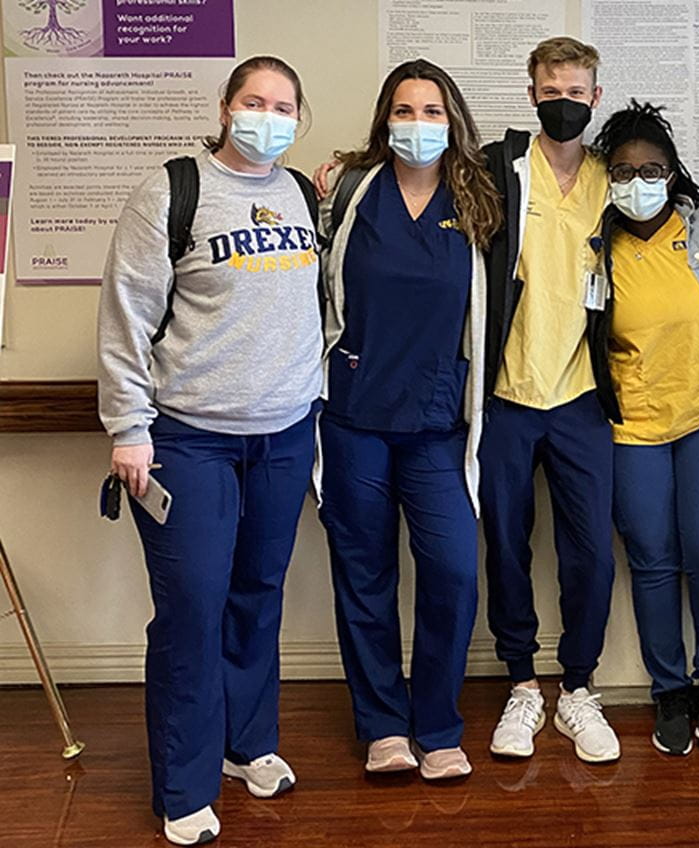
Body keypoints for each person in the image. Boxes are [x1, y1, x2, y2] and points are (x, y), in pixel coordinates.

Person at [97, 56, 322, 846]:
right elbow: (127, 316)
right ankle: (185, 788)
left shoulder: (301, 192)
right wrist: (129, 427)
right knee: (193, 608)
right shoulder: (172, 190)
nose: (268, 115)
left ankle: (246, 745)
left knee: (258, 595)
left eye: (283, 105)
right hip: (189, 439)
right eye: (254, 101)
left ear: (300, 117)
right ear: (225, 107)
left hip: (286, 433)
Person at [316, 59, 501, 782]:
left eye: (431, 112)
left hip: (438, 424)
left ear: (452, 122)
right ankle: (384, 726)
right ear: (383, 119)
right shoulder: (353, 193)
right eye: (404, 110)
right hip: (356, 416)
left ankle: (438, 723)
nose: (417, 125)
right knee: (364, 575)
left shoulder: (477, 201)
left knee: (453, 571)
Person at [471, 36, 622, 765]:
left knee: (591, 552)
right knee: (505, 542)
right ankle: (523, 684)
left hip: (583, 396)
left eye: (577, 90)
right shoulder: (500, 170)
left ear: (597, 97)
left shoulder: (614, 175)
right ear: (532, 93)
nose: (565, 101)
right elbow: (417, 174)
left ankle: (579, 687)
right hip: (506, 391)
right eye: (551, 89)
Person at [587, 101, 699, 755]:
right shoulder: (595, 245)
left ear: (674, 172)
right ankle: (668, 690)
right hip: (632, 427)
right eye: (623, 170)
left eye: (652, 168)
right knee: (652, 562)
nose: (638, 181)